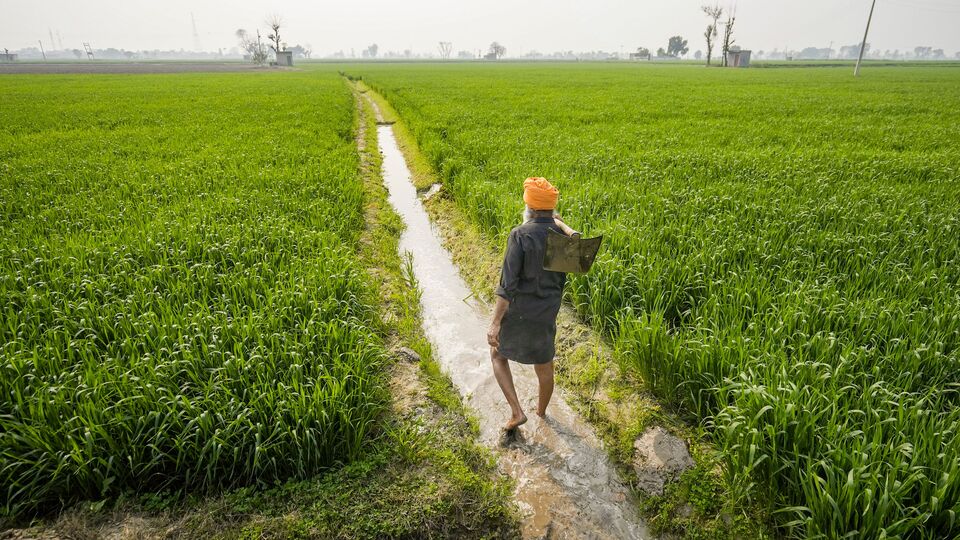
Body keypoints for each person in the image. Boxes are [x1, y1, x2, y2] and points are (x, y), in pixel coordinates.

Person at [486, 177, 578, 430]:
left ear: (530, 208)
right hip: (548, 311)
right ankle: (541, 414)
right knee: (544, 364)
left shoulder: (520, 235)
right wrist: (558, 224)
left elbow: (507, 286)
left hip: (520, 311)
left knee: (496, 354)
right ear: (551, 209)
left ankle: (517, 413)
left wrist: (495, 323)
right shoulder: (563, 236)